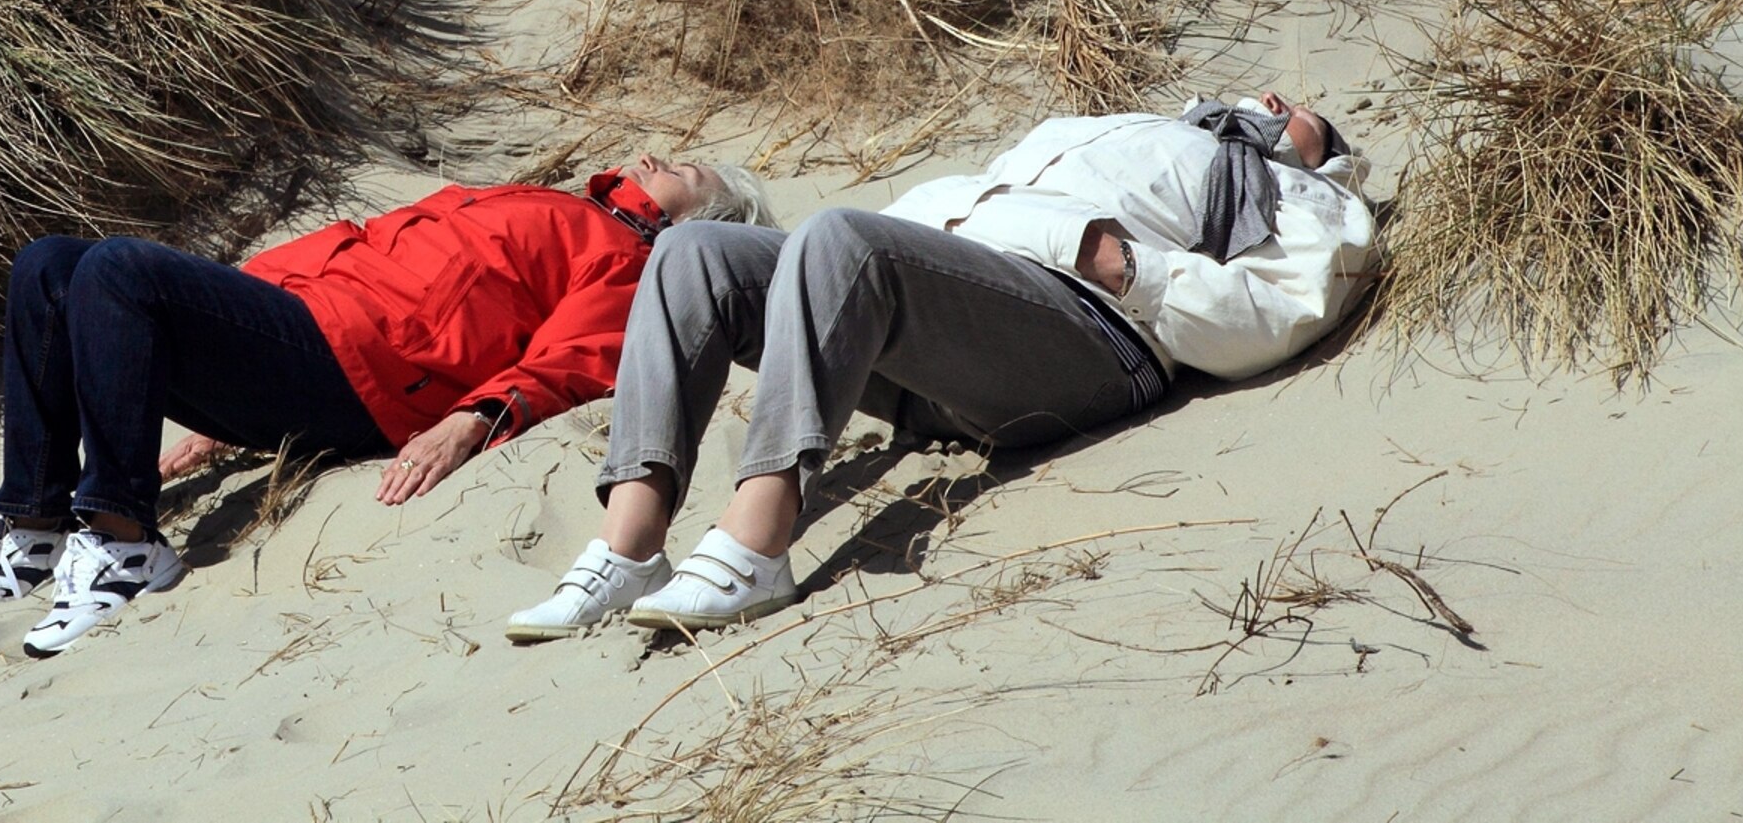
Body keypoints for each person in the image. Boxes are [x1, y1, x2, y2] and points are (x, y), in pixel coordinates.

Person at [505, 92, 1380, 642]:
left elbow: (1279, 313)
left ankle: (755, 542)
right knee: (695, 251)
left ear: (1319, 151)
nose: (1271, 96)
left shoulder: (1304, 195)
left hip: (1085, 338)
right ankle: (630, 548)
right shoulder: (1130, 126)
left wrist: (1127, 265)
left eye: (1301, 109)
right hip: (944, 330)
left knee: (842, 236)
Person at [0, 154, 761, 656]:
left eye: (685, 170)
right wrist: (208, 392)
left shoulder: (628, 259)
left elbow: (573, 359)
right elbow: (360, 252)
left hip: (362, 377)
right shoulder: (559, 206)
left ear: (703, 222)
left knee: (119, 267)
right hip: (305, 330)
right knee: (49, 263)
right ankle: (32, 529)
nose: (658, 155)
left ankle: (122, 539)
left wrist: (471, 419)